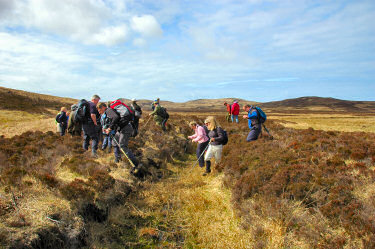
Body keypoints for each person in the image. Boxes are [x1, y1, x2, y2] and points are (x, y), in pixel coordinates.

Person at [104, 101, 139, 167]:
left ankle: (135, 163)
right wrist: (110, 127)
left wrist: (109, 128)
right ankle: (117, 159)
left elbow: (116, 117)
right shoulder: (115, 110)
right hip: (122, 128)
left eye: (99, 110)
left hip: (125, 128)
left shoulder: (109, 110)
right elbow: (117, 119)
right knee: (114, 142)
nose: (99, 112)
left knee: (123, 146)